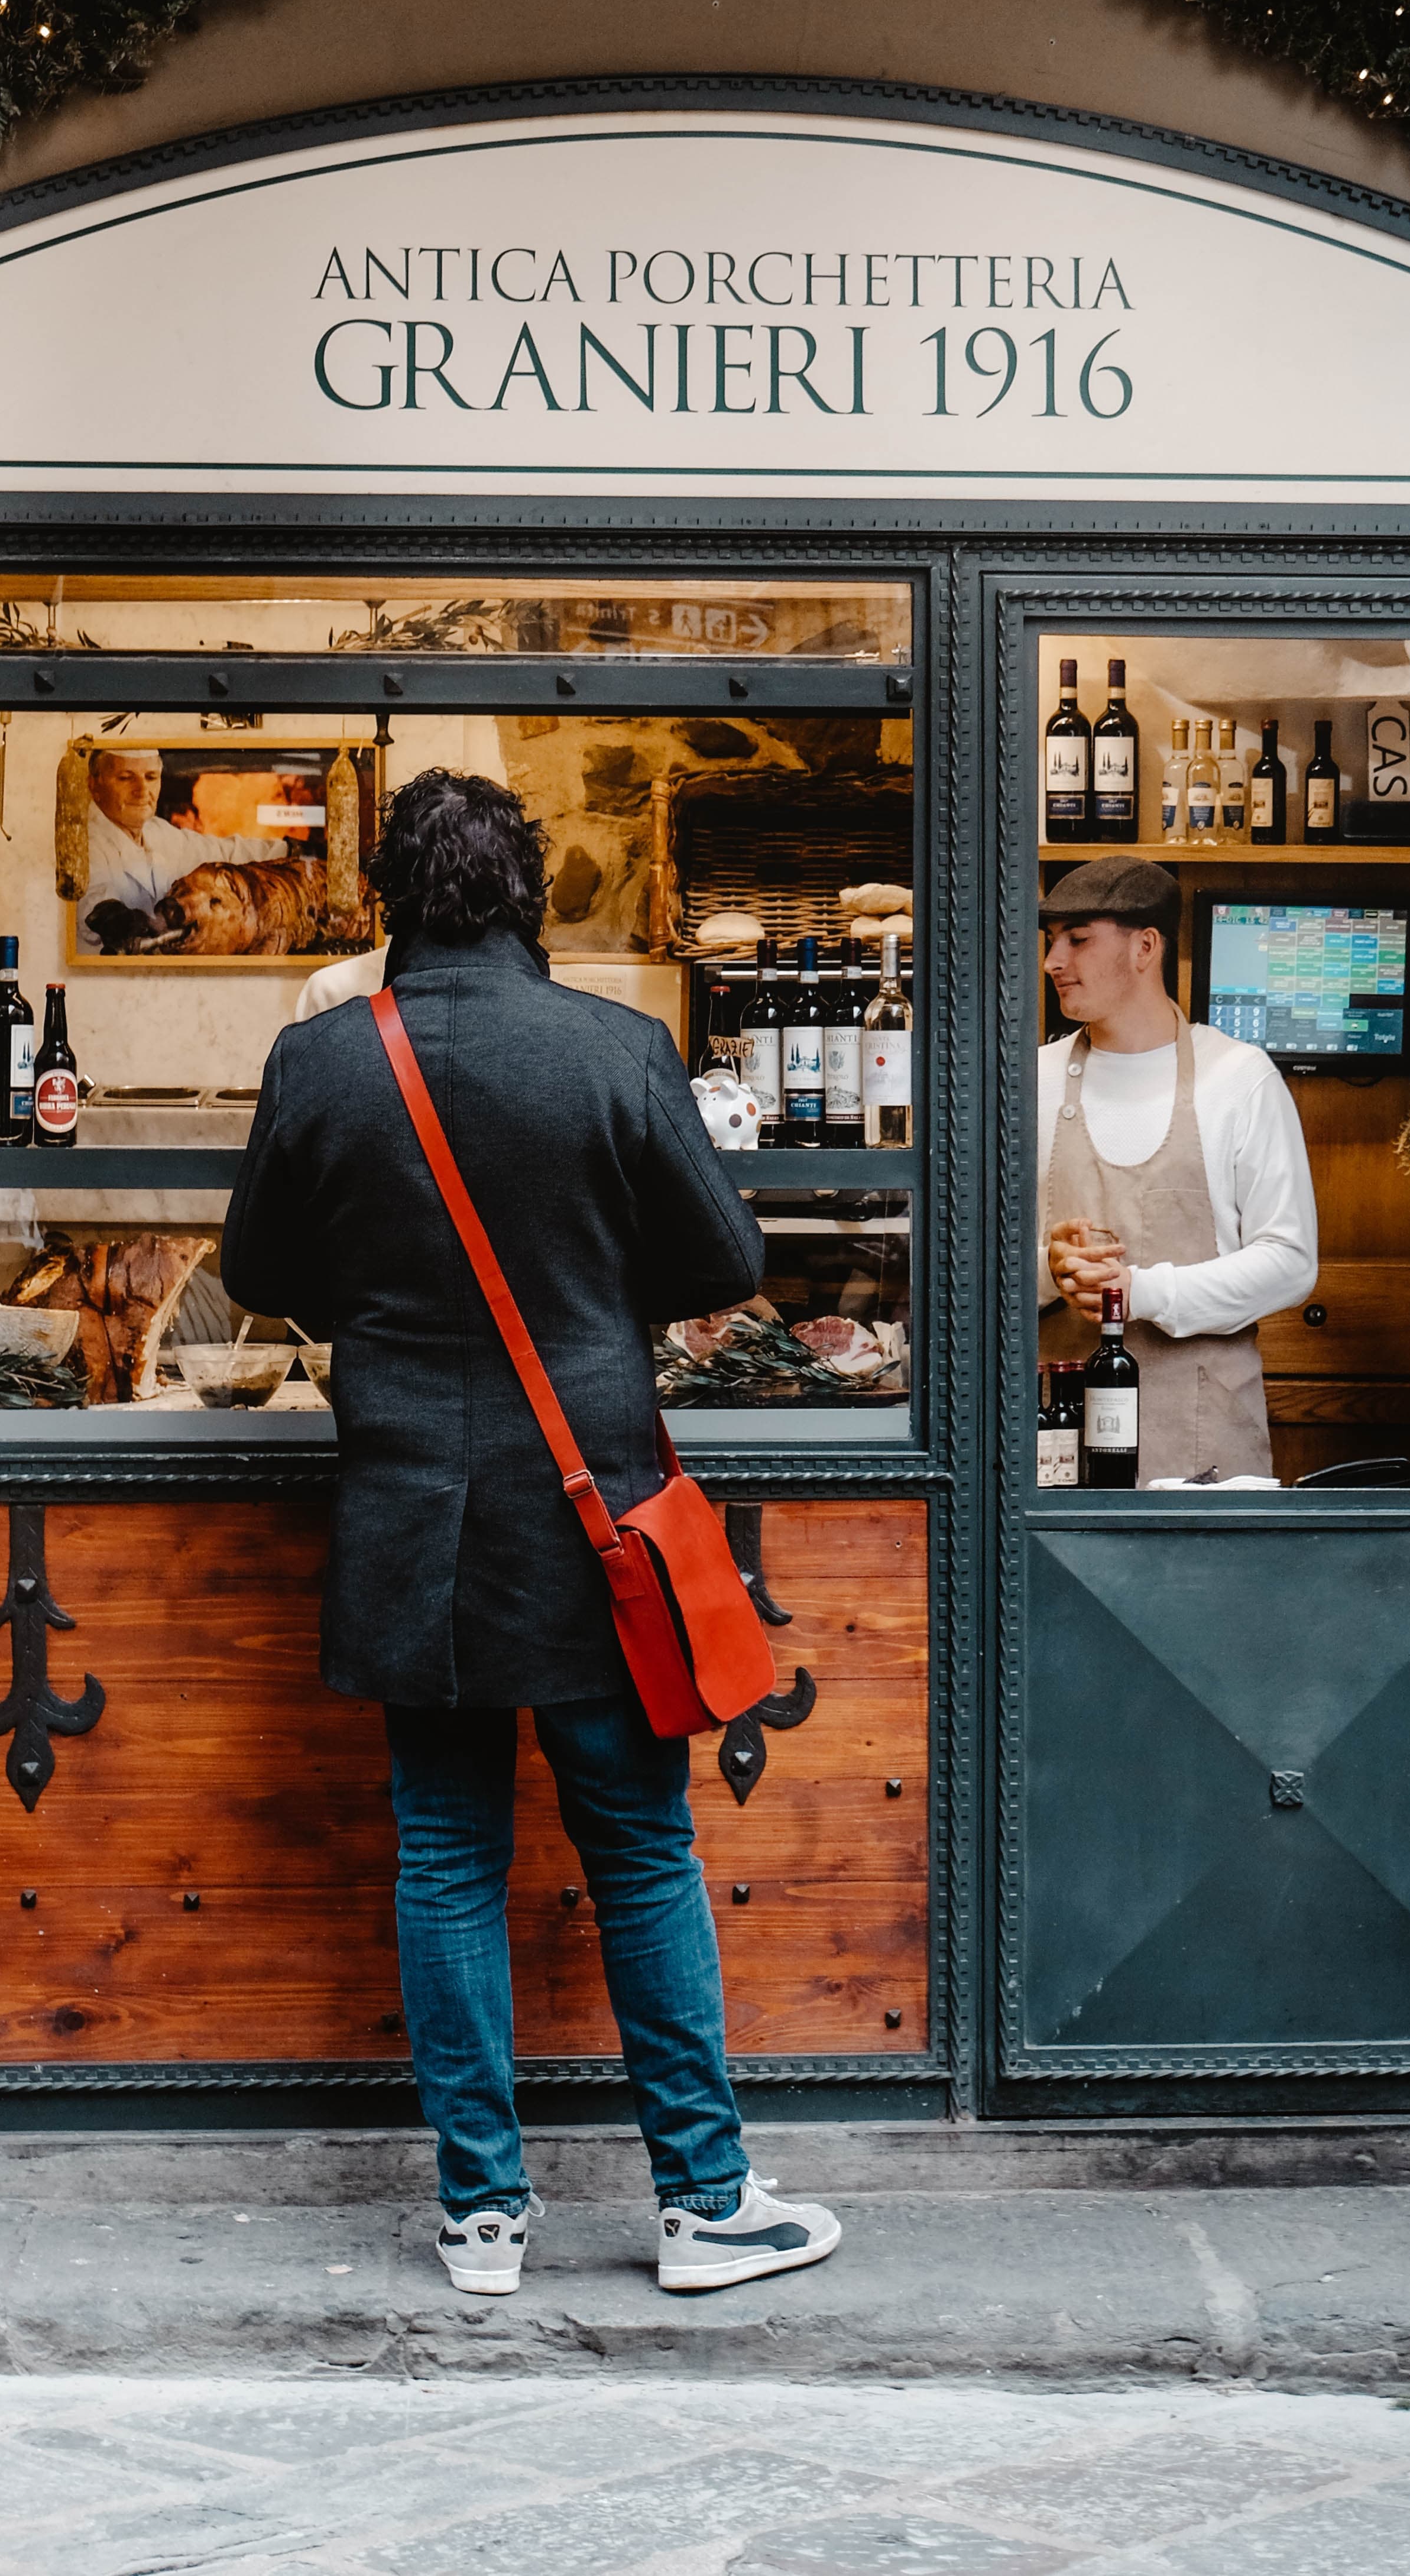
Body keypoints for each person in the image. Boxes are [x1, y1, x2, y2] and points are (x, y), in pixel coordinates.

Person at [220, 767, 842, 2301]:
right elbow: (722, 1260)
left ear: (388, 901)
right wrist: (588, 1273)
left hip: (409, 1510)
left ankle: (482, 2217)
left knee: (444, 1856)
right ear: (530, 898)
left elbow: (254, 1267)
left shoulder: (319, 1062)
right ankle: (702, 2200)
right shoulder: (618, 1051)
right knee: (639, 1855)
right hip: (596, 1517)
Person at [1038, 853, 1317, 1483]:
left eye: (1078, 940)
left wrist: (1140, 1292)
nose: (1054, 961)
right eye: (1052, 941)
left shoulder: (1238, 1079)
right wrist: (1049, 1269)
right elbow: (975, 1272)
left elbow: (1290, 1262)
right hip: (1055, 1448)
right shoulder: (1035, 1079)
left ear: (1145, 947)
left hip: (1203, 1444)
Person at [77, 745, 288, 952]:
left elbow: (224, 852)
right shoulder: (84, 841)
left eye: (151, 777)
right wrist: (111, 915)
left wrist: (293, 850)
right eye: (125, 778)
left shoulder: (157, 831)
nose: (142, 791)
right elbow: (92, 897)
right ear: (94, 785)